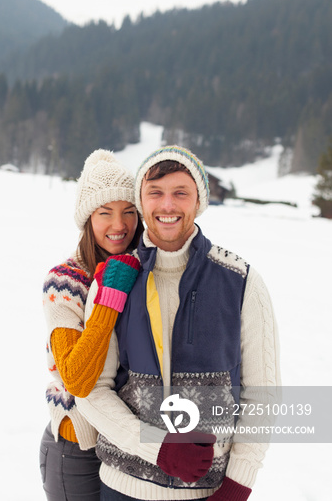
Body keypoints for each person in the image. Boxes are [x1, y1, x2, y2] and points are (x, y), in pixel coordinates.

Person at [77, 145, 281, 501]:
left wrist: (236, 486)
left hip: (209, 492)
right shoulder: (113, 280)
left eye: (180, 193)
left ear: (198, 201)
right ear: (141, 202)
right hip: (123, 487)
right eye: (155, 193)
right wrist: (159, 449)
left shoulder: (241, 281)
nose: (167, 205)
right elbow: (92, 391)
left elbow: (262, 396)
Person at [40, 149, 144, 501]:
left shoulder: (141, 269)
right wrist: (108, 297)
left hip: (128, 443)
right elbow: (76, 378)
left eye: (129, 211)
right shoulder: (64, 283)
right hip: (77, 444)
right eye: (105, 213)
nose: (119, 225)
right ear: (87, 218)